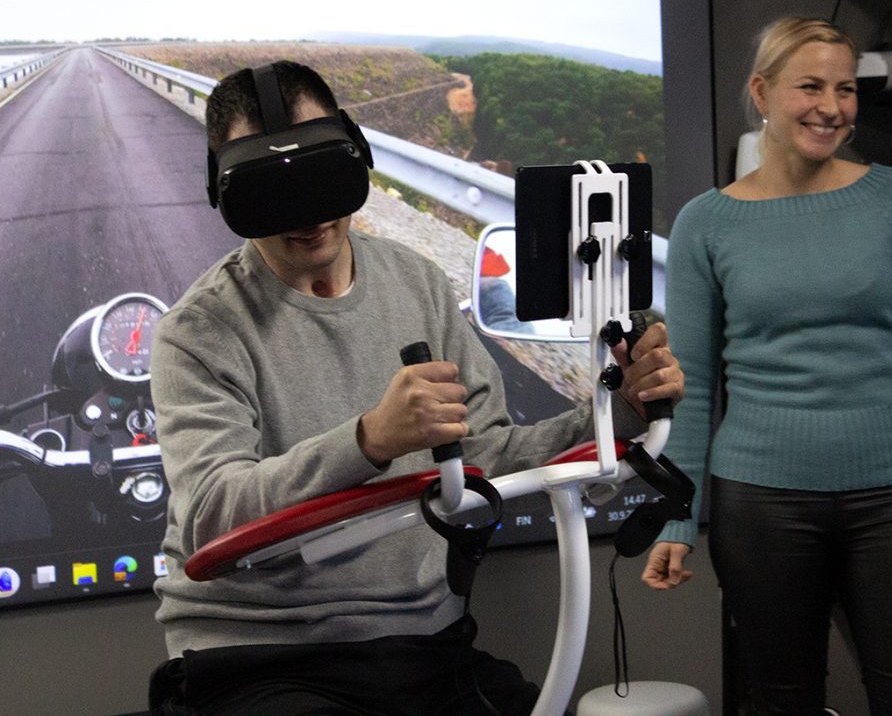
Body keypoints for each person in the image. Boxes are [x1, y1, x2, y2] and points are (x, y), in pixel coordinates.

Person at [147, 60, 683, 715]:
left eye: (321, 177)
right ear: (224, 189)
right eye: (270, 189)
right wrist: (369, 440)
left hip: (422, 644)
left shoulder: (420, 284)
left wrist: (619, 408)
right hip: (260, 654)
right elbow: (210, 515)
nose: (308, 214)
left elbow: (489, 458)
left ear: (355, 157)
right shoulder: (198, 331)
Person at [642, 17, 892, 714]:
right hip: (763, 502)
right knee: (781, 701)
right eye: (809, 86)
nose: (831, 106)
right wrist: (676, 515)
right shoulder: (706, 224)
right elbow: (694, 386)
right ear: (762, 92)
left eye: (845, 88)